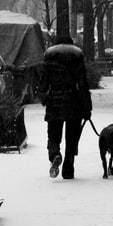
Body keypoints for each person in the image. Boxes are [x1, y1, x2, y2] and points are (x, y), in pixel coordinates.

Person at [38, 36, 92, 179]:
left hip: (55, 101)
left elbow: (43, 82)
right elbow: (83, 84)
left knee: (53, 135)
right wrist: (87, 107)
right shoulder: (77, 57)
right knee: (72, 138)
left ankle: (55, 154)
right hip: (74, 102)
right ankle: (68, 169)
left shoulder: (49, 57)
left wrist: (44, 97)